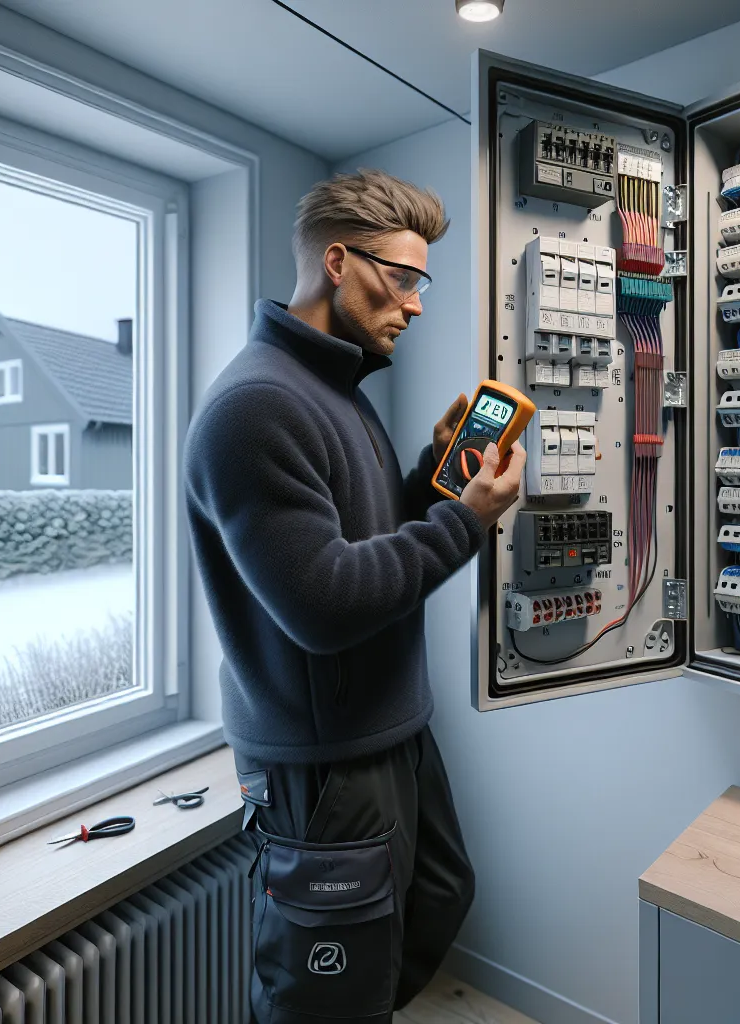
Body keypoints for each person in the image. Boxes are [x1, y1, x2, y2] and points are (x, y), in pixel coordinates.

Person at [182, 168, 525, 1023]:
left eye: (420, 283)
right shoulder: (256, 407)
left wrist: (436, 484)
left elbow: (361, 550)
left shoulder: (337, 392)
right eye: (401, 279)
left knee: (438, 897)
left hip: (391, 730)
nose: (414, 304)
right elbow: (325, 605)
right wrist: (470, 523)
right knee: (325, 1002)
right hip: (325, 765)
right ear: (337, 262)